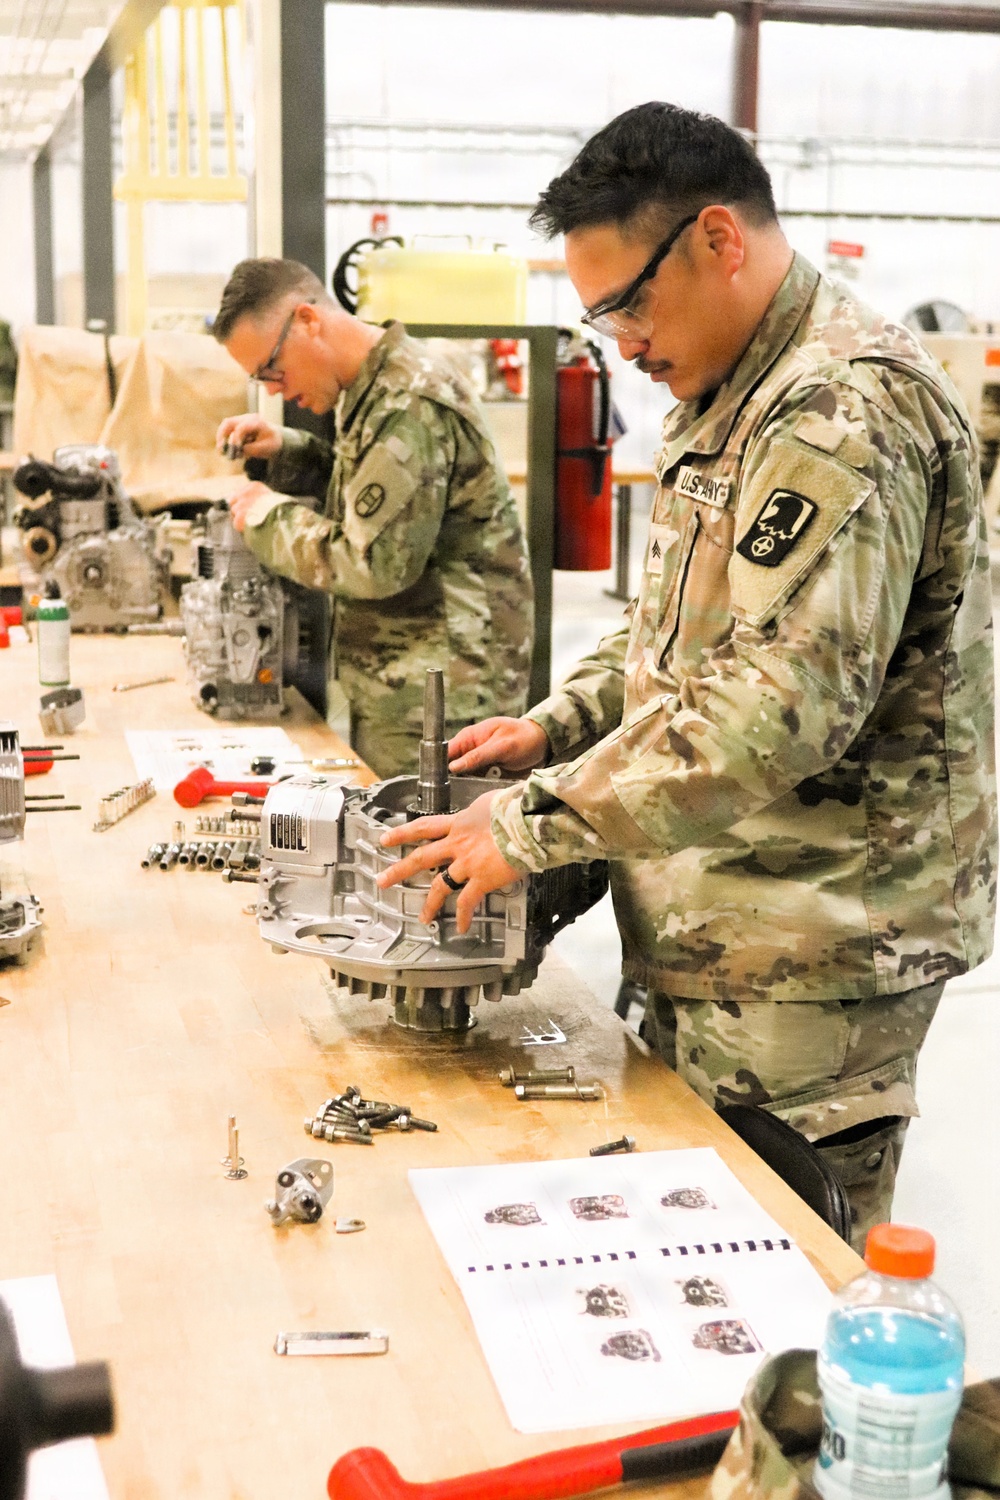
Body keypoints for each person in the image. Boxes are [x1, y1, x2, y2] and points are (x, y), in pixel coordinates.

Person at [376, 102, 997, 1249]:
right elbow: (679, 634)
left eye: (626, 303)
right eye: (596, 313)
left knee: (778, 1273)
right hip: (723, 917)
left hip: (814, 944)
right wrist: (556, 724)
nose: (617, 339)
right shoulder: (727, 395)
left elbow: (780, 709)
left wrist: (535, 819)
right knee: (697, 1247)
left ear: (717, 239)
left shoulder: (840, 410)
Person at [212, 258, 533, 778]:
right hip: (406, 676)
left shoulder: (407, 401)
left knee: (424, 853)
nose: (272, 389)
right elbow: (372, 499)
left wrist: (266, 518)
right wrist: (288, 451)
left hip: (442, 695)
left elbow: (373, 560)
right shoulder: (371, 386)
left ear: (307, 321)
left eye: (272, 369)